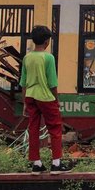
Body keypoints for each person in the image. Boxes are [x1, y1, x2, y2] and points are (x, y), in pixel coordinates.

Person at [20, 25, 71, 175]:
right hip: (45, 97)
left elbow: (23, 82)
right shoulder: (48, 57)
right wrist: (57, 99)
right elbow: (52, 83)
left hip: (30, 96)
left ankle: (36, 164)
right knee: (55, 128)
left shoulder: (27, 57)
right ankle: (56, 164)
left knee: (33, 129)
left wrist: (24, 102)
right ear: (47, 42)